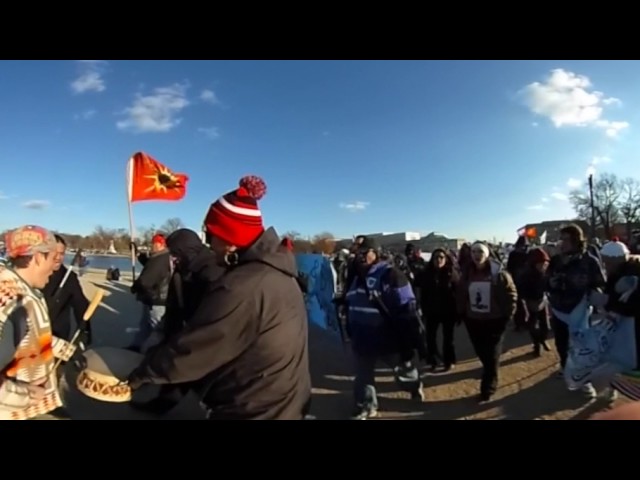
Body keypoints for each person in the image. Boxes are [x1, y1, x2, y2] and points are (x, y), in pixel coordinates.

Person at [127, 175, 312, 420]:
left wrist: (143, 371)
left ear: (231, 241)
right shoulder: (278, 273)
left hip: (256, 407)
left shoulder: (245, 285)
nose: (210, 245)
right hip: (281, 399)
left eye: (212, 236)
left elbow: (197, 347)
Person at [344, 237, 425, 419]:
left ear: (376, 253)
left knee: (403, 370)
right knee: (363, 375)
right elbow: (351, 303)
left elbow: (408, 306)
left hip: (388, 338)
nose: (361, 257)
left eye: (366, 252)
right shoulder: (356, 277)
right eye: (358, 253)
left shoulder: (391, 275)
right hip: (362, 338)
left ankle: (414, 386)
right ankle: (366, 406)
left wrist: (409, 336)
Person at [0, 225, 62, 419]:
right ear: (37, 257)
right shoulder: (17, 304)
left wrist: (69, 351)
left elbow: (33, 336)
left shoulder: (22, 290)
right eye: (53, 258)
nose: (55, 267)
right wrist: (25, 394)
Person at [546, 223, 606, 398]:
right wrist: (551, 283)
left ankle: (585, 381)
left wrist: (596, 296)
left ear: (576, 240)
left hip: (579, 310)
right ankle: (566, 368)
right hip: (558, 309)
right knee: (561, 344)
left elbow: (600, 283)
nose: (562, 243)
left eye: (566, 239)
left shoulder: (590, 261)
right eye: (561, 239)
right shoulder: (556, 260)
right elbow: (546, 280)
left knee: (582, 347)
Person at [457, 241, 518, 402]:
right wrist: (462, 312)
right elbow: (462, 293)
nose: (477, 255)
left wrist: (507, 315)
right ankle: (490, 370)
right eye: (474, 252)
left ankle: (488, 387)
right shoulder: (466, 273)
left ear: (487, 255)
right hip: (473, 320)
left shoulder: (499, 273)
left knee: (491, 355)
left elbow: (511, 294)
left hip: (495, 320)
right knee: (481, 351)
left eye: (480, 252)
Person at [42, 234, 91, 346]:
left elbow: (81, 305)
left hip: (58, 334)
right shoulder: (34, 274)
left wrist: (84, 332)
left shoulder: (69, 277)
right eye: (54, 253)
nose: (58, 257)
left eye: (62, 253)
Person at [418, 247, 459, 371]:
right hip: (431, 311)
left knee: (448, 338)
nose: (439, 260)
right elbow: (421, 292)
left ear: (446, 259)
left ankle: (449, 360)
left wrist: (458, 311)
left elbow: (458, 293)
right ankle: (432, 360)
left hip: (448, 311)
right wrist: (422, 309)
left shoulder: (452, 273)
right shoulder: (426, 273)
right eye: (436, 257)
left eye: (442, 257)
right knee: (430, 338)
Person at [128, 234, 172, 352]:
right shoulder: (160, 257)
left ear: (160, 244)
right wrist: (137, 254)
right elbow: (149, 264)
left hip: (157, 299)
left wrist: (136, 287)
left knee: (156, 329)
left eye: (153, 243)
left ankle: (152, 352)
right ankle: (137, 346)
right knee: (145, 326)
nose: (151, 246)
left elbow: (147, 279)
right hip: (151, 298)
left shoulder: (161, 259)